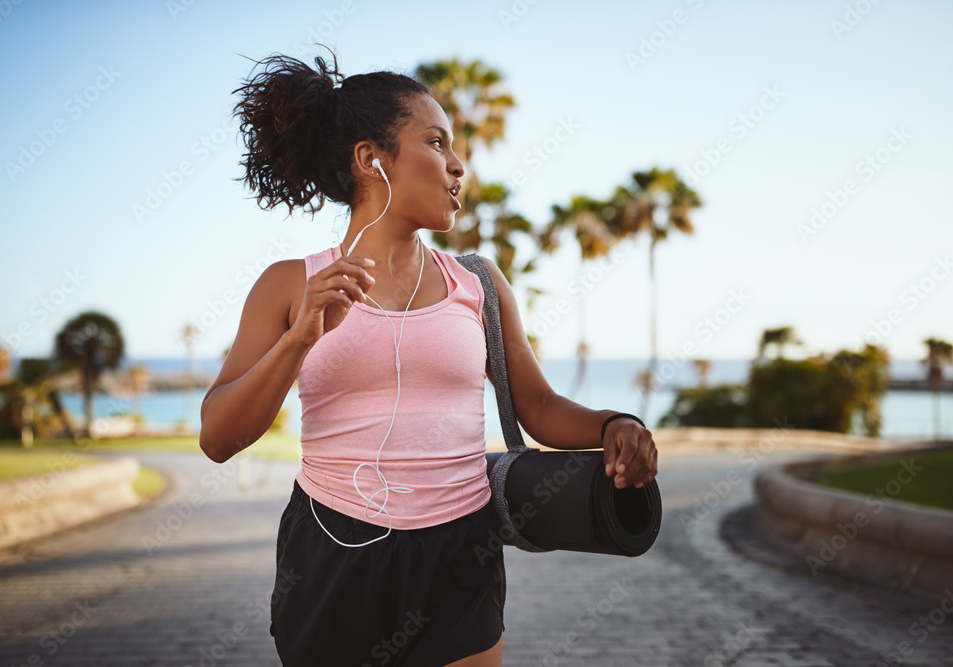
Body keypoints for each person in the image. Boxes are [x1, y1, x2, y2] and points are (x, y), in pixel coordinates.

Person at [199, 47, 658, 667]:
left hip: (461, 553)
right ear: (372, 158)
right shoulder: (288, 285)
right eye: (437, 142)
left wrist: (613, 425)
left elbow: (539, 405)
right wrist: (299, 339)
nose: (457, 164)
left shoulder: (478, 282)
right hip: (333, 550)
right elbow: (218, 437)